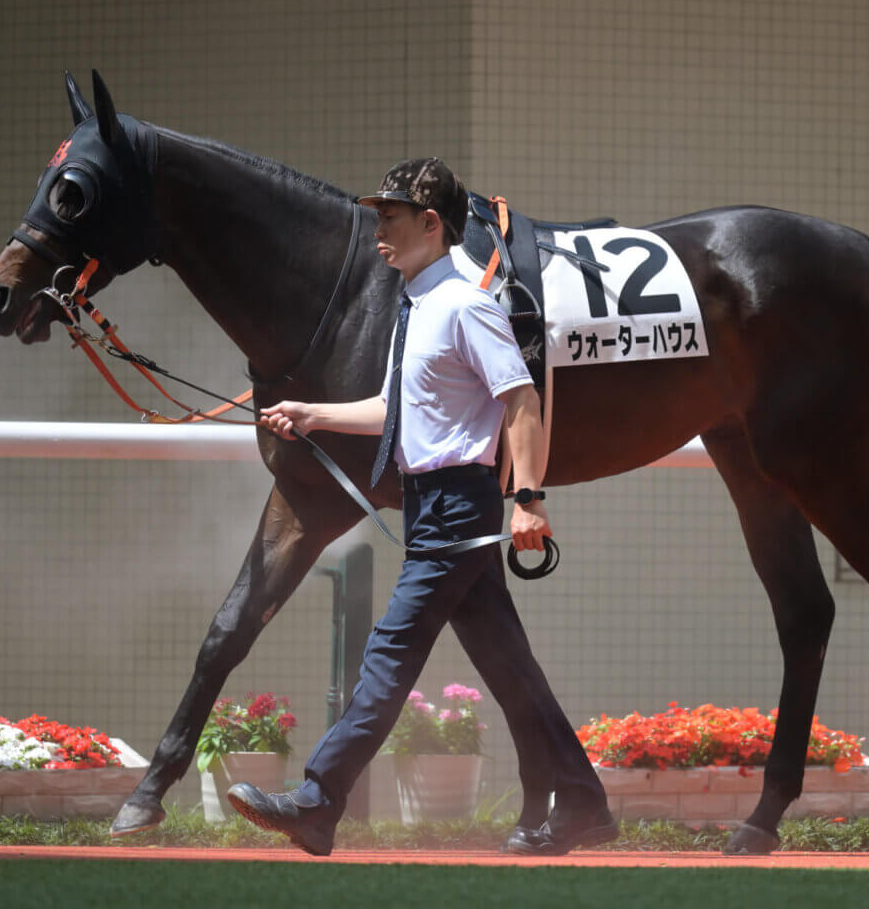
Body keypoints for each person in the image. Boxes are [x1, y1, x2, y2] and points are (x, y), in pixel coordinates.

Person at [228, 157, 617, 857]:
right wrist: (312, 413)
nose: (378, 230)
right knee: (510, 666)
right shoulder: (418, 305)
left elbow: (521, 401)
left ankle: (317, 801)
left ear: (432, 225)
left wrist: (527, 498)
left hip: (461, 508)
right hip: (432, 504)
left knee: (389, 654)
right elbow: (396, 407)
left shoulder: (466, 305)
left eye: (391, 217)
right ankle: (584, 799)